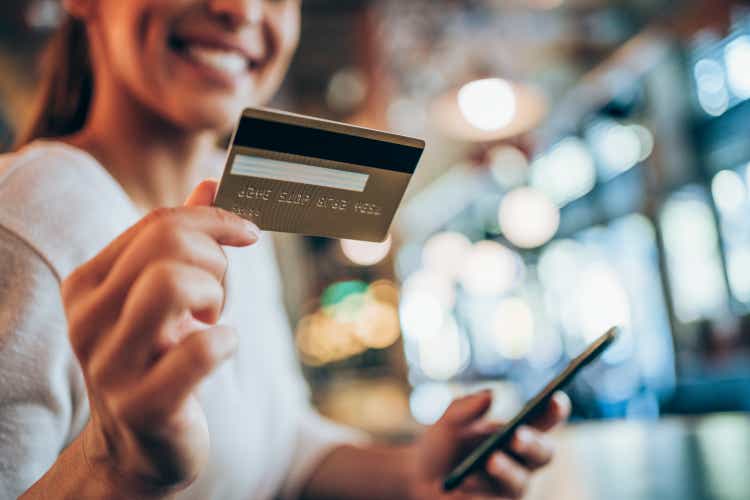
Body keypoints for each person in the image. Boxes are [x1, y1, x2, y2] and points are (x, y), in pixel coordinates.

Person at [0, 1, 571, 498]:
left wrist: (414, 472)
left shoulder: (234, 198)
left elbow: (282, 446)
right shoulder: (27, 214)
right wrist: (114, 468)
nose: (243, 9)